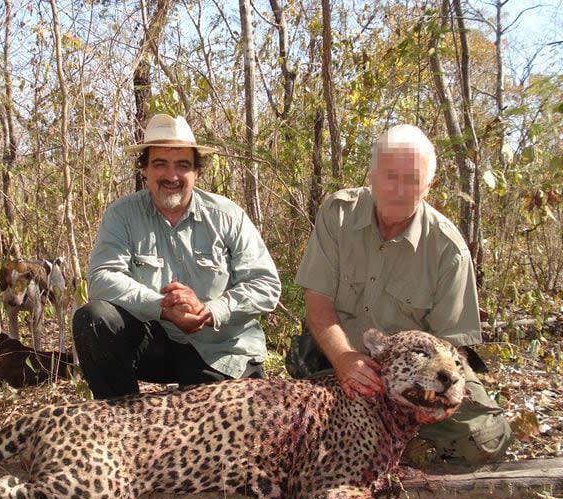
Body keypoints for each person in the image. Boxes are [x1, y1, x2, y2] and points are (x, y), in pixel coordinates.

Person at [293, 124, 512, 464]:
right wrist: (344, 359)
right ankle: (371, 441)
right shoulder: (337, 213)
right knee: (308, 422)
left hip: (417, 371)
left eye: (412, 179)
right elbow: (317, 301)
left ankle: (391, 444)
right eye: (389, 176)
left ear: (429, 184)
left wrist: (440, 398)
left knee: (487, 437)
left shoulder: (448, 249)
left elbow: (451, 348)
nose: (398, 190)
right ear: (371, 176)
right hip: (341, 357)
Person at [73, 114, 281, 399]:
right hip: (156, 342)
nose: (171, 176)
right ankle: (123, 424)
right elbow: (103, 278)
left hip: (220, 347)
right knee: (94, 319)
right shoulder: (122, 215)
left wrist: (210, 311)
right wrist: (162, 307)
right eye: (160, 164)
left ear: (196, 171)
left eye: (182, 166)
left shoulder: (227, 216)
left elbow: (265, 285)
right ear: (144, 169)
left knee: (217, 434)